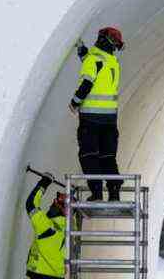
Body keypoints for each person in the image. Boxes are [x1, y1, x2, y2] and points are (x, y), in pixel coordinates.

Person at [68, 27, 125, 201]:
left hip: (91, 119)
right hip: (109, 120)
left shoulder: (93, 60)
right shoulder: (111, 62)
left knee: (89, 155)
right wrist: (82, 52)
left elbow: (87, 81)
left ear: (101, 40)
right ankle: (114, 194)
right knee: (108, 156)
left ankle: (97, 193)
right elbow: (95, 66)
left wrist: (75, 102)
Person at [25, 174, 67, 279]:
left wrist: (44, 183)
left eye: (56, 202)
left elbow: (31, 205)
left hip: (41, 274)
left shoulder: (49, 227)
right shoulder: (68, 228)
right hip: (51, 275)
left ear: (64, 210)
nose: (52, 202)